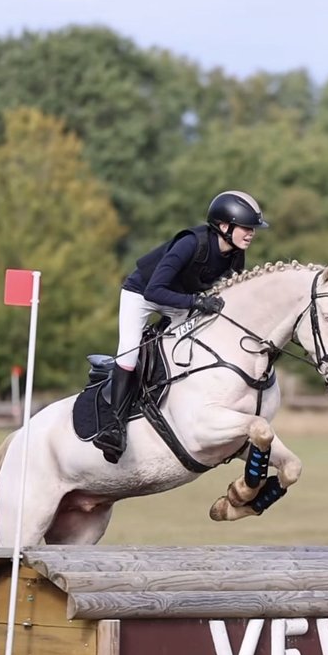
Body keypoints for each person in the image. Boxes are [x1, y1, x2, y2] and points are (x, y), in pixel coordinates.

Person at [93, 190, 269, 462]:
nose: (251, 234)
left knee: (195, 343)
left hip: (180, 300)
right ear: (224, 226)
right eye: (246, 227)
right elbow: (154, 291)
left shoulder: (235, 255)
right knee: (129, 350)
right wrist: (197, 302)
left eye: (252, 229)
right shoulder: (191, 243)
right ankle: (114, 426)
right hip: (142, 295)